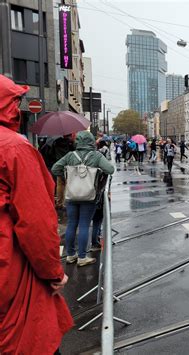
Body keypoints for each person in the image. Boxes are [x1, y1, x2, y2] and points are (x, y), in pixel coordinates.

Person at [0, 74, 73, 353]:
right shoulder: (14, 149)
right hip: (13, 275)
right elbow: (36, 223)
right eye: (16, 101)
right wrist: (54, 272)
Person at [52, 131, 115, 266]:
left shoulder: (70, 156)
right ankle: (82, 257)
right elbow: (110, 169)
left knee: (71, 224)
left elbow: (55, 168)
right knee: (84, 225)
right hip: (89, 195)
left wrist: (66, 178)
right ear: (91, 141)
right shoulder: (96, 156)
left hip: (72, 195)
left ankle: (70, 255)